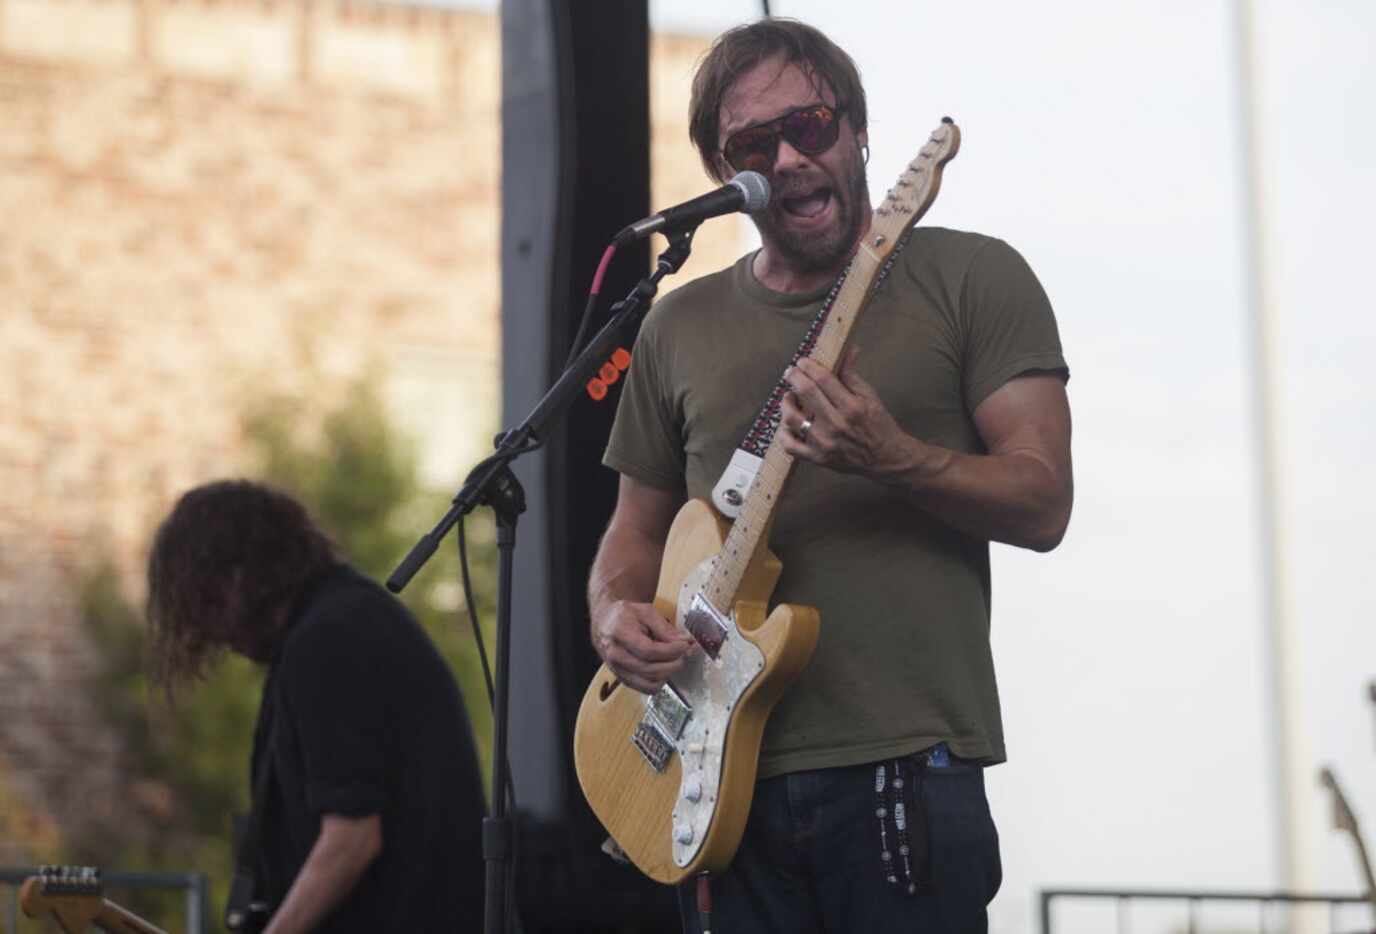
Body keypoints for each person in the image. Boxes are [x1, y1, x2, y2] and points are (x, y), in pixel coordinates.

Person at [586, 18, 1072, 934]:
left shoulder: (973, 277)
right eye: (755, 145)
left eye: (809, 126)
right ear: (723, 172)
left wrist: (894, 458)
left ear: (856, 130)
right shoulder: (676, 327)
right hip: (716, 783)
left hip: (905, 762)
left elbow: (1043, 500)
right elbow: (636, 534)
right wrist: (615, 613)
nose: (792, 159)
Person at [146, 480, 484, 934]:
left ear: (237, 579)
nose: (215, 634)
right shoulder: (340, 621)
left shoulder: (328, 639)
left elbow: (353, 837)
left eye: (207, 604)